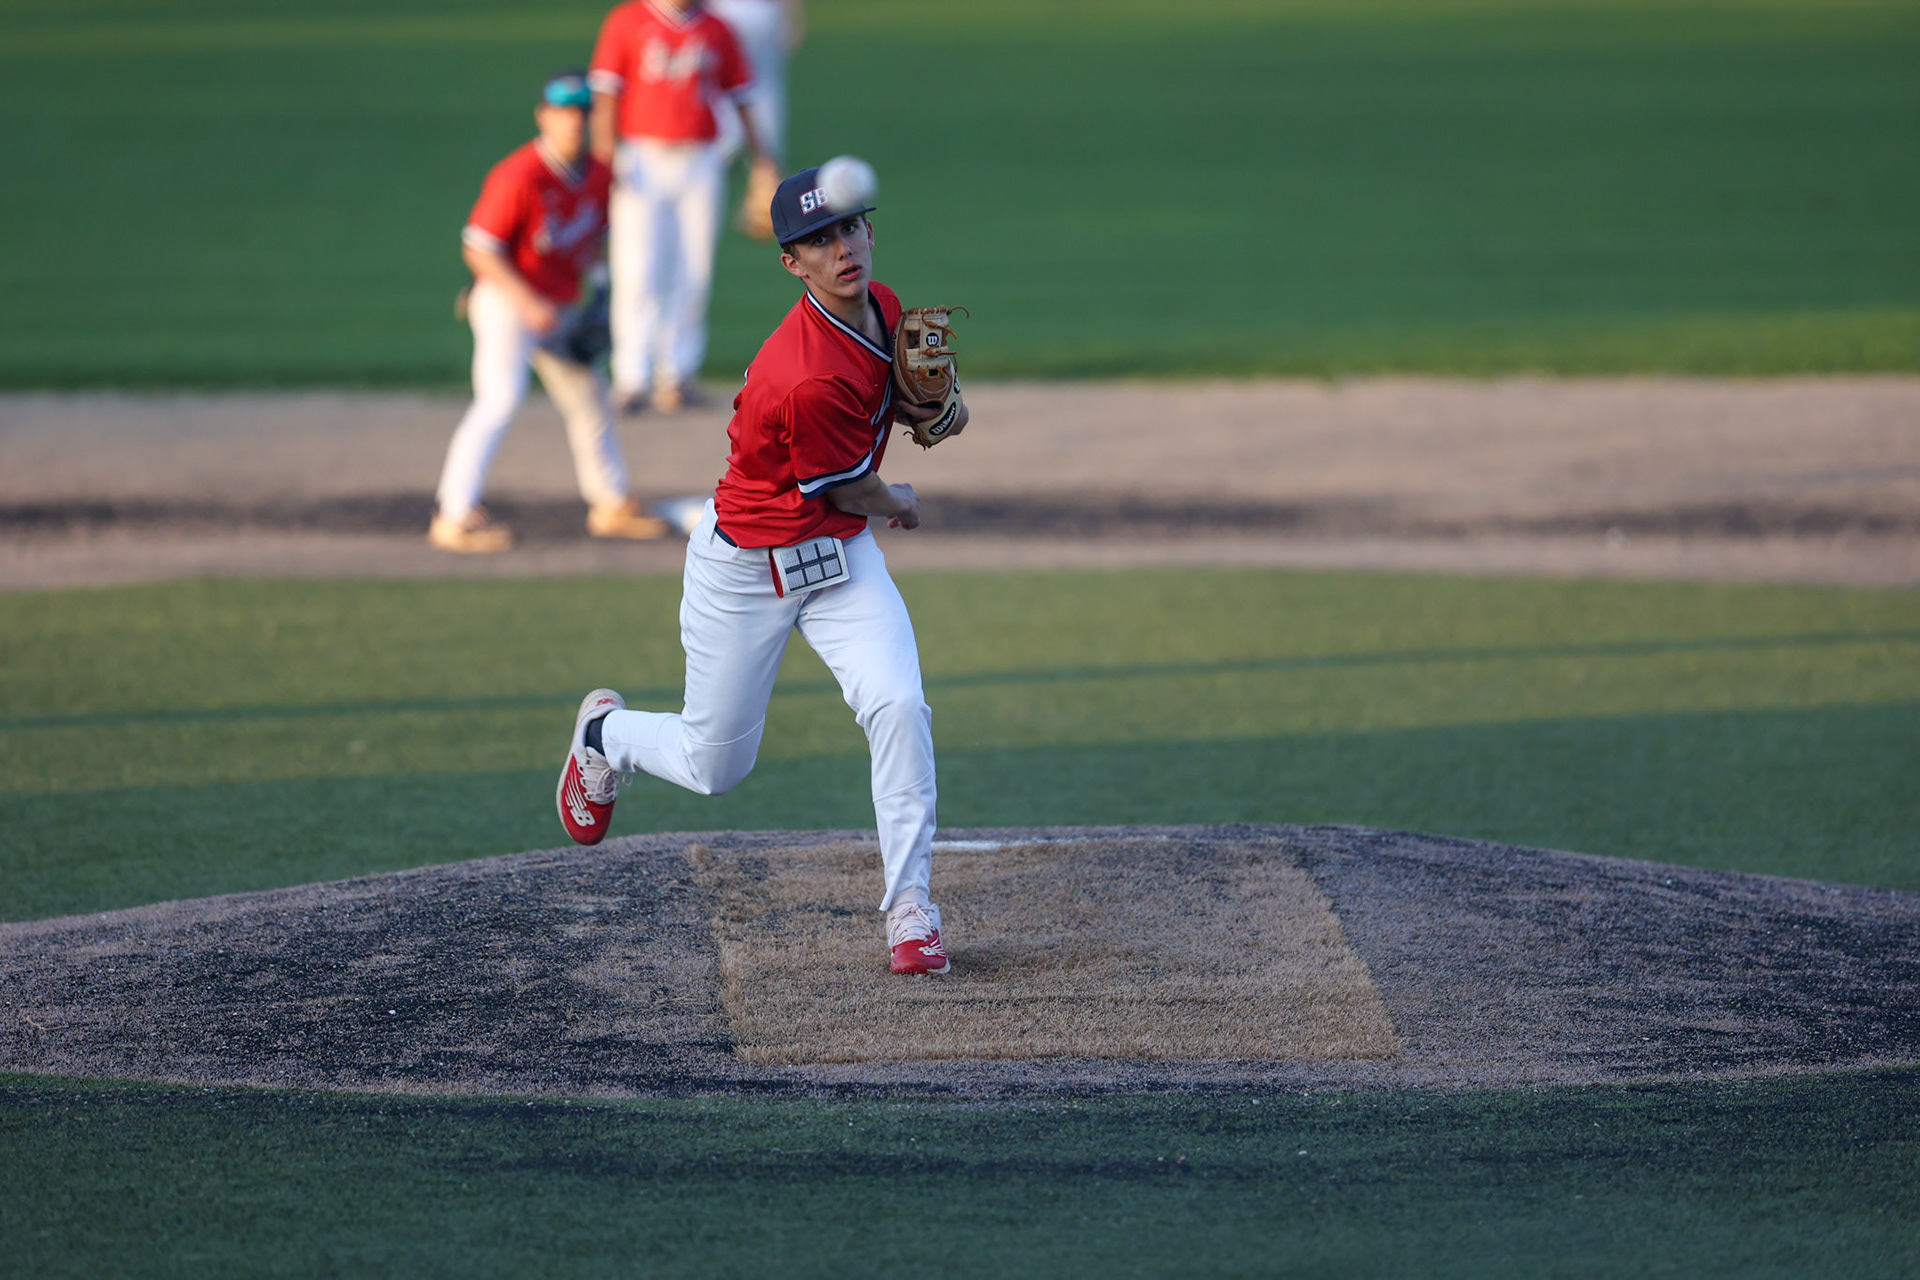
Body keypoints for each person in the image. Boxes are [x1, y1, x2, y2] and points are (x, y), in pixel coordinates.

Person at [555, 165, 969, 976]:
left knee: (897, 703)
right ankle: (603, 735)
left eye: (850, 227)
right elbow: (854, 488)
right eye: (819, 240)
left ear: (870, 230)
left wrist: (928, 412)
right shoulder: (803, 372)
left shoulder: (884, 310)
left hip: (839, 560)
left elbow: (901, 411)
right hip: (747, 570)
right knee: (716, 768)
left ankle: (912, 909)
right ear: (793, 263)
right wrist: (904, 498)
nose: (842, 247)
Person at [430, 70, 668, 553]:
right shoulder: (519, 175)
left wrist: (599, 295)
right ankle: (453, 516)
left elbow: (596, 241)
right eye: (563, 112)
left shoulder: (599, 175)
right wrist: (526, 301)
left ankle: (609, 503)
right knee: (499, 399)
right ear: (543, 117)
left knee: (590, 398)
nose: (574, 122)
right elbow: (478, 250)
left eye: (582, 112)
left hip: (556, 308)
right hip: (504, 302)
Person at [589, 0, 781, 414]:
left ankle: (677, 375)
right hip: (639, 158)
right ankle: (631, 379)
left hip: (701, 159)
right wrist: (604, 161)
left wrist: (764, 161)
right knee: (637, 269)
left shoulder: (717, 27)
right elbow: (606, 95)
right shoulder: (628, 20)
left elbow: (743, 97)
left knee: (694, 269)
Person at [709, 0, 804, 239]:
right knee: (763, 90)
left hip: (724, 11)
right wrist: (793, 15)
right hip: (765, 13)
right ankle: (767, 188)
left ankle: (723, 160)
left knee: (722, 89)